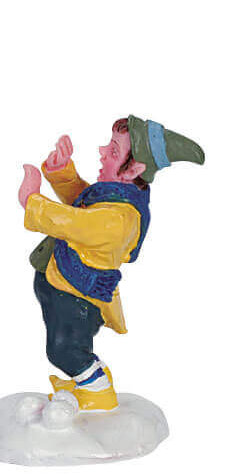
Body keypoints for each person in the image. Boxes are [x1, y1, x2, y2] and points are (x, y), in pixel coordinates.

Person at [18, 116, 204, 411]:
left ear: (134, 169)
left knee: (63, 349)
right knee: (67, 345)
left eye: (114, 150)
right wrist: (61, 171)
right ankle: (86, 380)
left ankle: (98, 393)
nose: (103, 151)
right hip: (62, 286)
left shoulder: (118, 219)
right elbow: (81, 201)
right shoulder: (113, 196)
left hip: (77, 296)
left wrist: (31, 200)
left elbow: (75, 222)